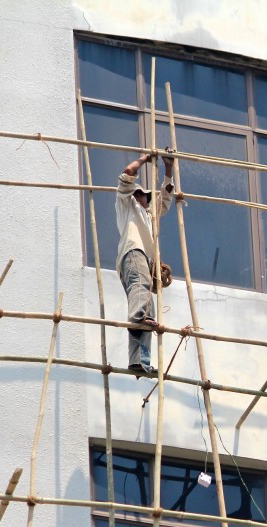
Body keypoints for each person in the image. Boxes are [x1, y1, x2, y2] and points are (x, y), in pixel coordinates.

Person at [115, 152, 175, 375]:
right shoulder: (127, 205)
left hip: (142, 258)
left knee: (147, 309)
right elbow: (128, 174)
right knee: (141, 297)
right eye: (139, 193)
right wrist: (144, 158)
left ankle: (140, 362)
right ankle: (137, 318)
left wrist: (168, 170)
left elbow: (165, 199)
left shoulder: (149, 213)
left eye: (145, 195)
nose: (142, 198)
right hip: (133, 253)